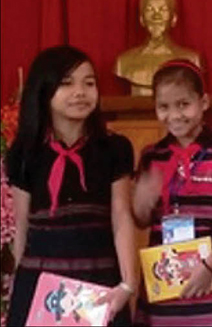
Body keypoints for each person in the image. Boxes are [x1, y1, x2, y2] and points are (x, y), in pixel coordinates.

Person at [6, 45, 137, 326]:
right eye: (67, 83)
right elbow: (22, 224)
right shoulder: (24, 153)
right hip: (40, 286)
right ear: (44, 90)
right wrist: (20, 286)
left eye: (89, 83)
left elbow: (121, 216)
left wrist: (128, 284)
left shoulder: (114, 148)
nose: (80, 92)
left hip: (99, 286)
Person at [132, 59, 212, 326]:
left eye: (183, 104)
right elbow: (141, 220)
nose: (174, 115)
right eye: (164, 107)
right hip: (164, 290)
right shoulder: (151, 155)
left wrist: (210, 266)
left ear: (203, 102)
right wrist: (141, 200)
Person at [114, 0, 202, 96]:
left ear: (174, 19)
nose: (156, 16)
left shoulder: (191, 59)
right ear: (141, 19)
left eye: (163, 10)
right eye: (150, 10)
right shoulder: (124, 61)